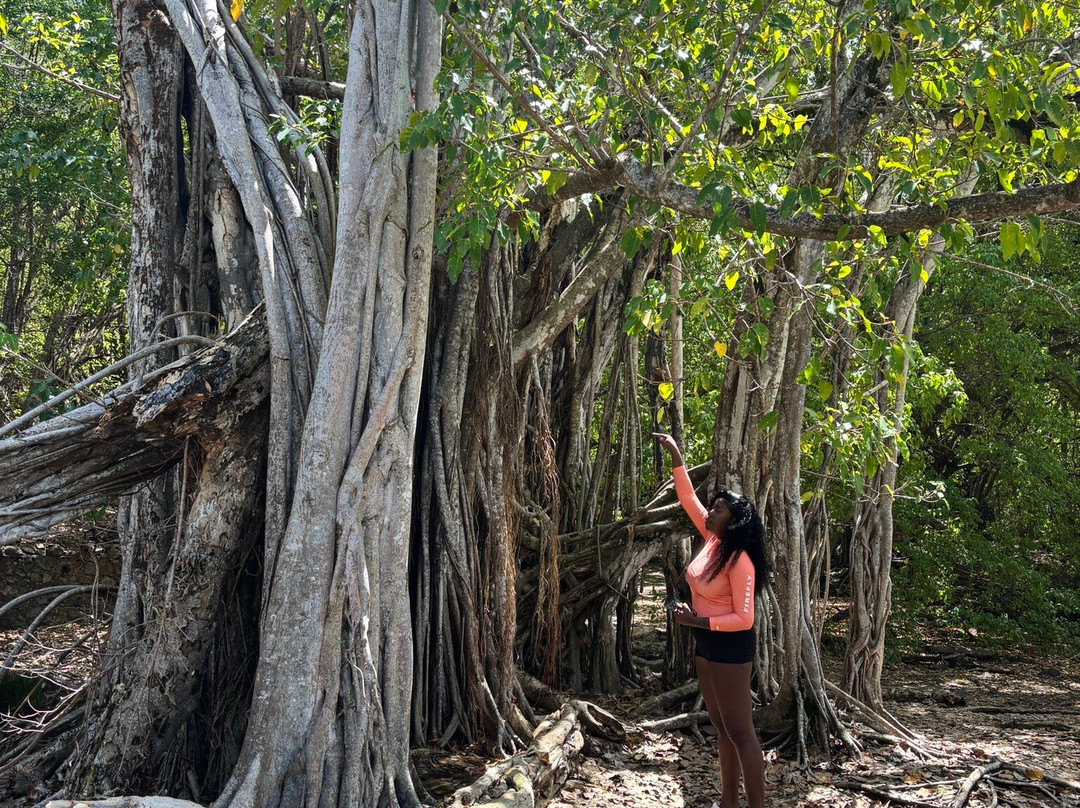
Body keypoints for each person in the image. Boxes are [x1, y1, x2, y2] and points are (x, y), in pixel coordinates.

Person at [653, 432, 767, 808]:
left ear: (733, 522)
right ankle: (729, 802)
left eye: (718, 510)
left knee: (742, 732)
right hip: (705, 644)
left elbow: (745, 618)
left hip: (731, 647)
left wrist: (697, 622)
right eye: (713, 507)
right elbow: (687, 499)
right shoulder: (712, 540)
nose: (710, 512)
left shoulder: (740, 561)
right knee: (721, 727)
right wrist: (677, 455)